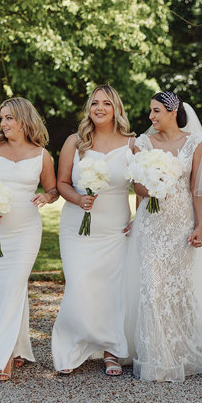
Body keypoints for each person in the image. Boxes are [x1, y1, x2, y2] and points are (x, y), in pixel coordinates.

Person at [125, 91, 202, 382]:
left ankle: (179, 351)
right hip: (151, 224)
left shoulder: (194, 143)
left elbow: (198, 191)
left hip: (181, 223)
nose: (151, 117)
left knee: (177, 287)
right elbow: (138, 188)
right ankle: (156, 357)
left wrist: (200, 226)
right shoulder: (142, 143)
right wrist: (152, 187)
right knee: (151, 286)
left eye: (156, 111)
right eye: (150, 111)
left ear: (173, 112)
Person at [0, 97, 58, 382]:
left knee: (16, 285)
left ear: (24, 119)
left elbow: (54, 188)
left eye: (9, 118)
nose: (3, 124)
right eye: (2, 118)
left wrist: (47, 196)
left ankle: (3, 356)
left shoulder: (41, 154)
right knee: (1, 290)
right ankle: (18, 347)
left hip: (27, 231)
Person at [51, 85, 135, 376]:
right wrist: (78, 199)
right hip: (77, 225)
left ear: (116, 109)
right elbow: (61, 183)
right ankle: (71, 347)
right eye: (95, 103)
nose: (99, 108)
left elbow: (142, 186)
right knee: (79, 284)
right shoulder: (76, 142)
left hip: (115, 226)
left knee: (112, 290)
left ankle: (112, 350)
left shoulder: (132, 143)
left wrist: (140, 218)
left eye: (106, 104)